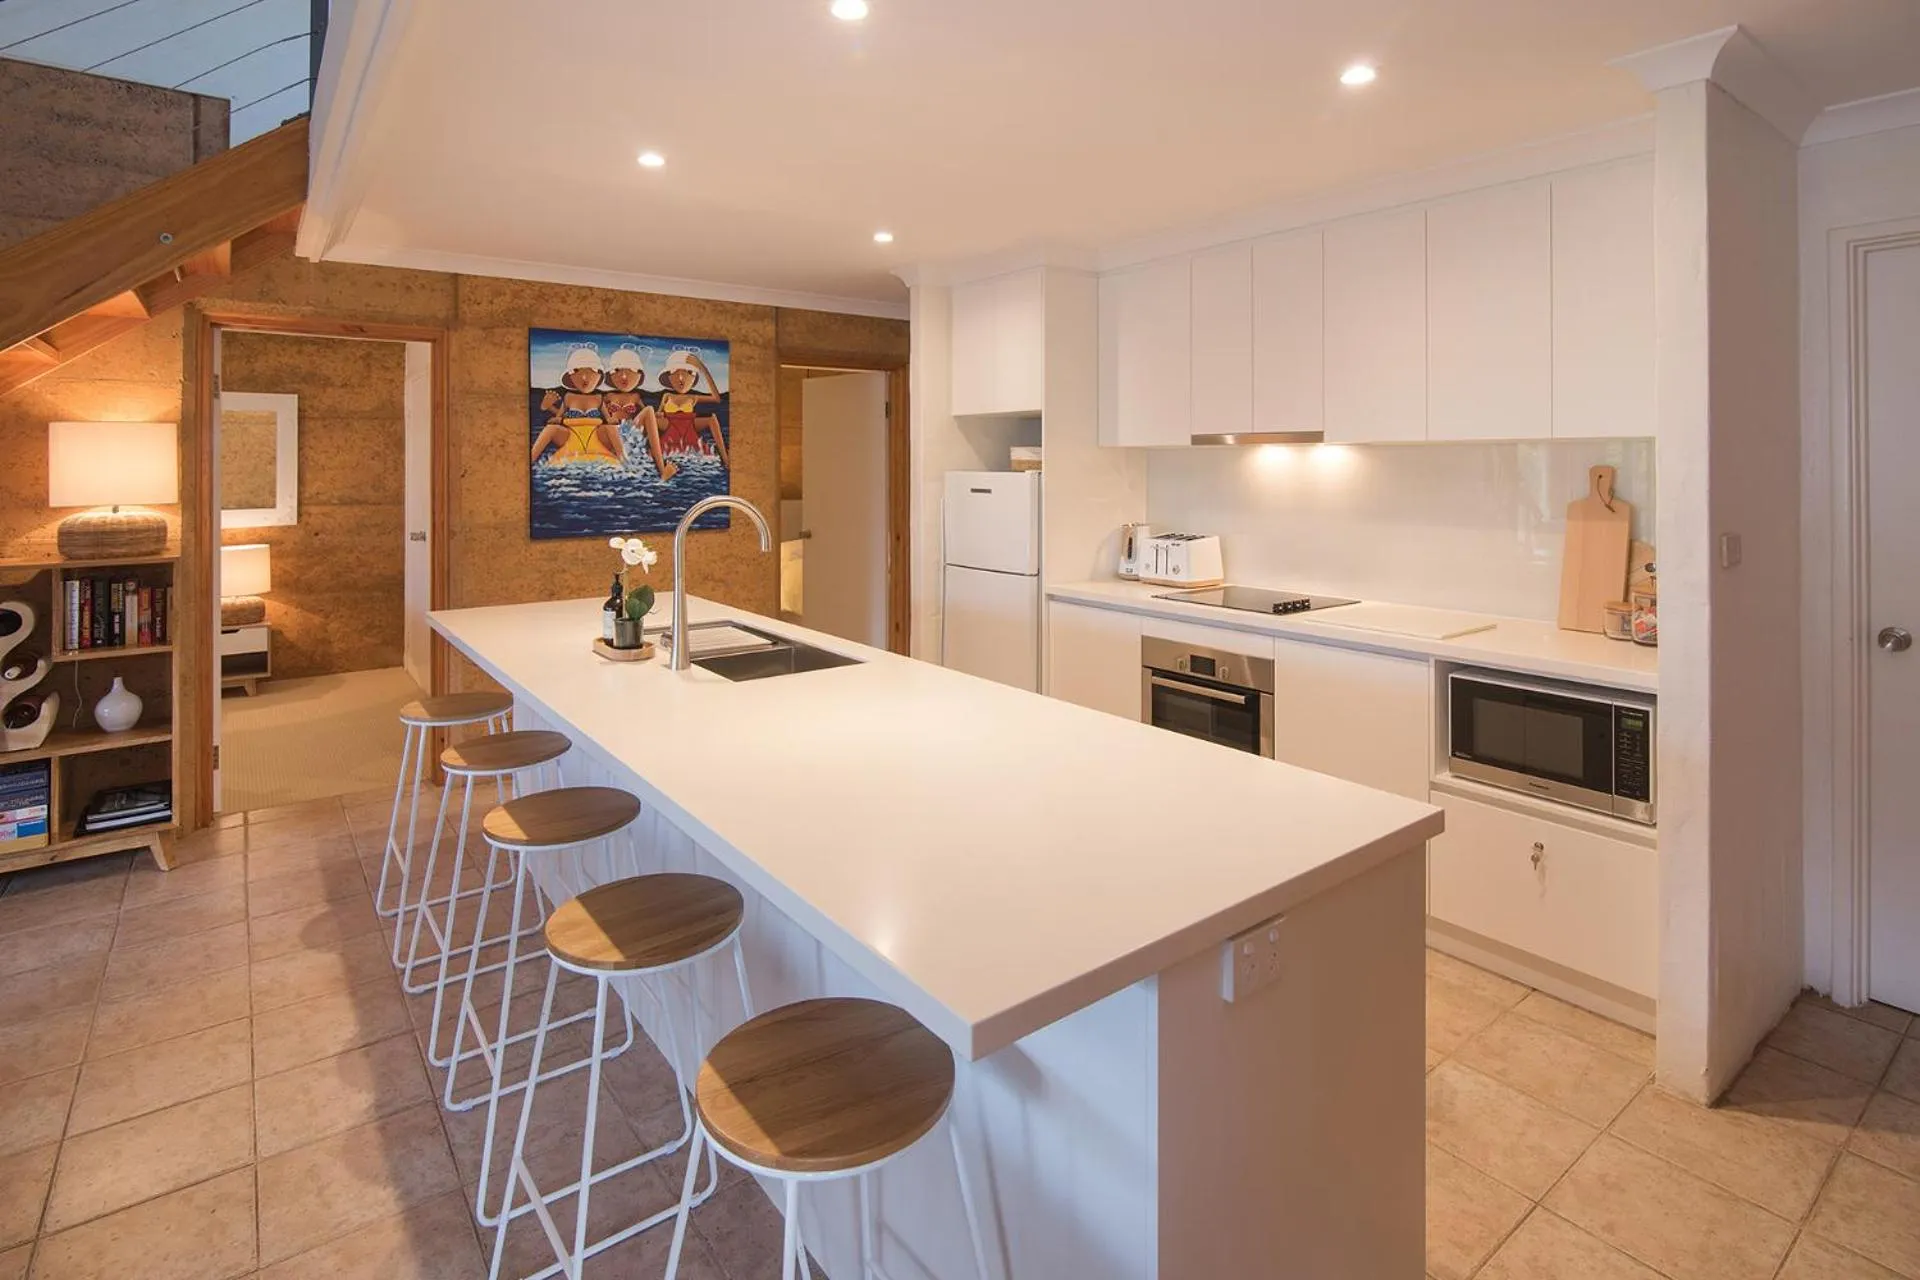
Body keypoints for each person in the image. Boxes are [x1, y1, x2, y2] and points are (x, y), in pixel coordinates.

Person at [639, 348, 730, 480]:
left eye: (688, 373)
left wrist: (702, 368)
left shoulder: (693, 397)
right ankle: (639, 452)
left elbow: (716, 398)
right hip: (669, 425)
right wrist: (659, 414)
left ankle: (726, 460)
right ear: (669, 377)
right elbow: (658, 412)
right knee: (649, 416)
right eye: (676, 374)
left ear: (693, 377)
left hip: (689, 426)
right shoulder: (667, 395)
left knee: (712, 418)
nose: (681, 378)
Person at [530, 345, 624, 465]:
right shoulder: (569, 397)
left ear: (598, 375)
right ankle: (529, 461)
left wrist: (612, 420)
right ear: (571, 377)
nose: (584, 377)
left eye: (590, 371)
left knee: (611, 428)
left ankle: (626, 462)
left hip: (595, 438)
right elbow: (559, 417)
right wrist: (549, 409)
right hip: (571, 437)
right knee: (551, 428)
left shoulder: (598, 398)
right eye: (578, 372)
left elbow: (608, 419)